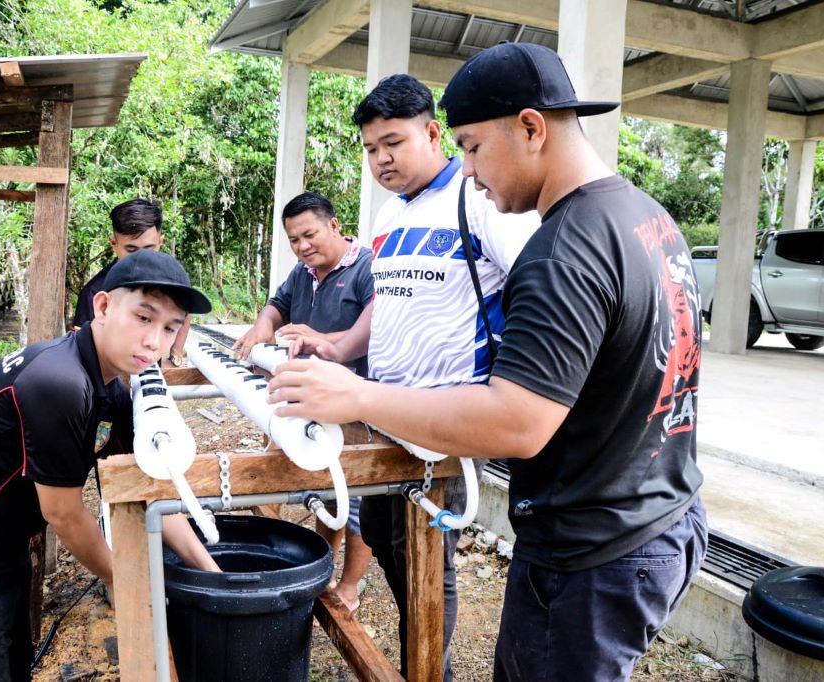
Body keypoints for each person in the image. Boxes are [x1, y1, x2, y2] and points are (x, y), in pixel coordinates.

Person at [270, 43, 707, 682]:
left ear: (531, 128)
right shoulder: (644, 217)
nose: (469, 170)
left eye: (471, 147)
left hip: (594, 543)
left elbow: (516, 422)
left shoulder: (561, 250)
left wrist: (358, 397)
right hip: (654, 508)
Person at [290, 74, 538, 681]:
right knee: (384, 540)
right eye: (371, 149)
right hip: (382, 415)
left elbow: (536, 284)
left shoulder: (480, 200)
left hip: (441, 425)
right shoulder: (388, 211)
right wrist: (341, 345)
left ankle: (430, 670)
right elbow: (389, 298)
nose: (381, 160)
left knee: (430, 564)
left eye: (393, 143)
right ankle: (412, 652)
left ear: (433, 133)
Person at [0, 249, 221, 682]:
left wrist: (213, 574)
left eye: (170, 328)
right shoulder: (59, 381)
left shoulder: (109, 389)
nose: (155, 341)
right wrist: (124, 581)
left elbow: (144, 488)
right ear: (103, 306)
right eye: (143, 318)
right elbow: (62, 513)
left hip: (0, 553)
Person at [232, 191, 375, 611]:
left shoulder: (367, 268)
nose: (302, 246)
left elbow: (375, 330)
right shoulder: (303, 272)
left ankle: (349, 587)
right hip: (314, 400)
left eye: (309, 235)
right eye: (294, 240)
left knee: (360, 497)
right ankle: (323, 571)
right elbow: (276, 306)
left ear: (334, 226)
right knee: (326, 487)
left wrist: (315, 338)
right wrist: (262, 328)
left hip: (358, 402)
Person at [73, 198, 190, 369]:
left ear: (160, 241)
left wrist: (175, 356)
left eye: (149, 248)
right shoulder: (93, 292)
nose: (141, 258)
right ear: (114, 243)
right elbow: (82, 352)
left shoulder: (170, 282)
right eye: (131, 250)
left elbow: (185, 312)